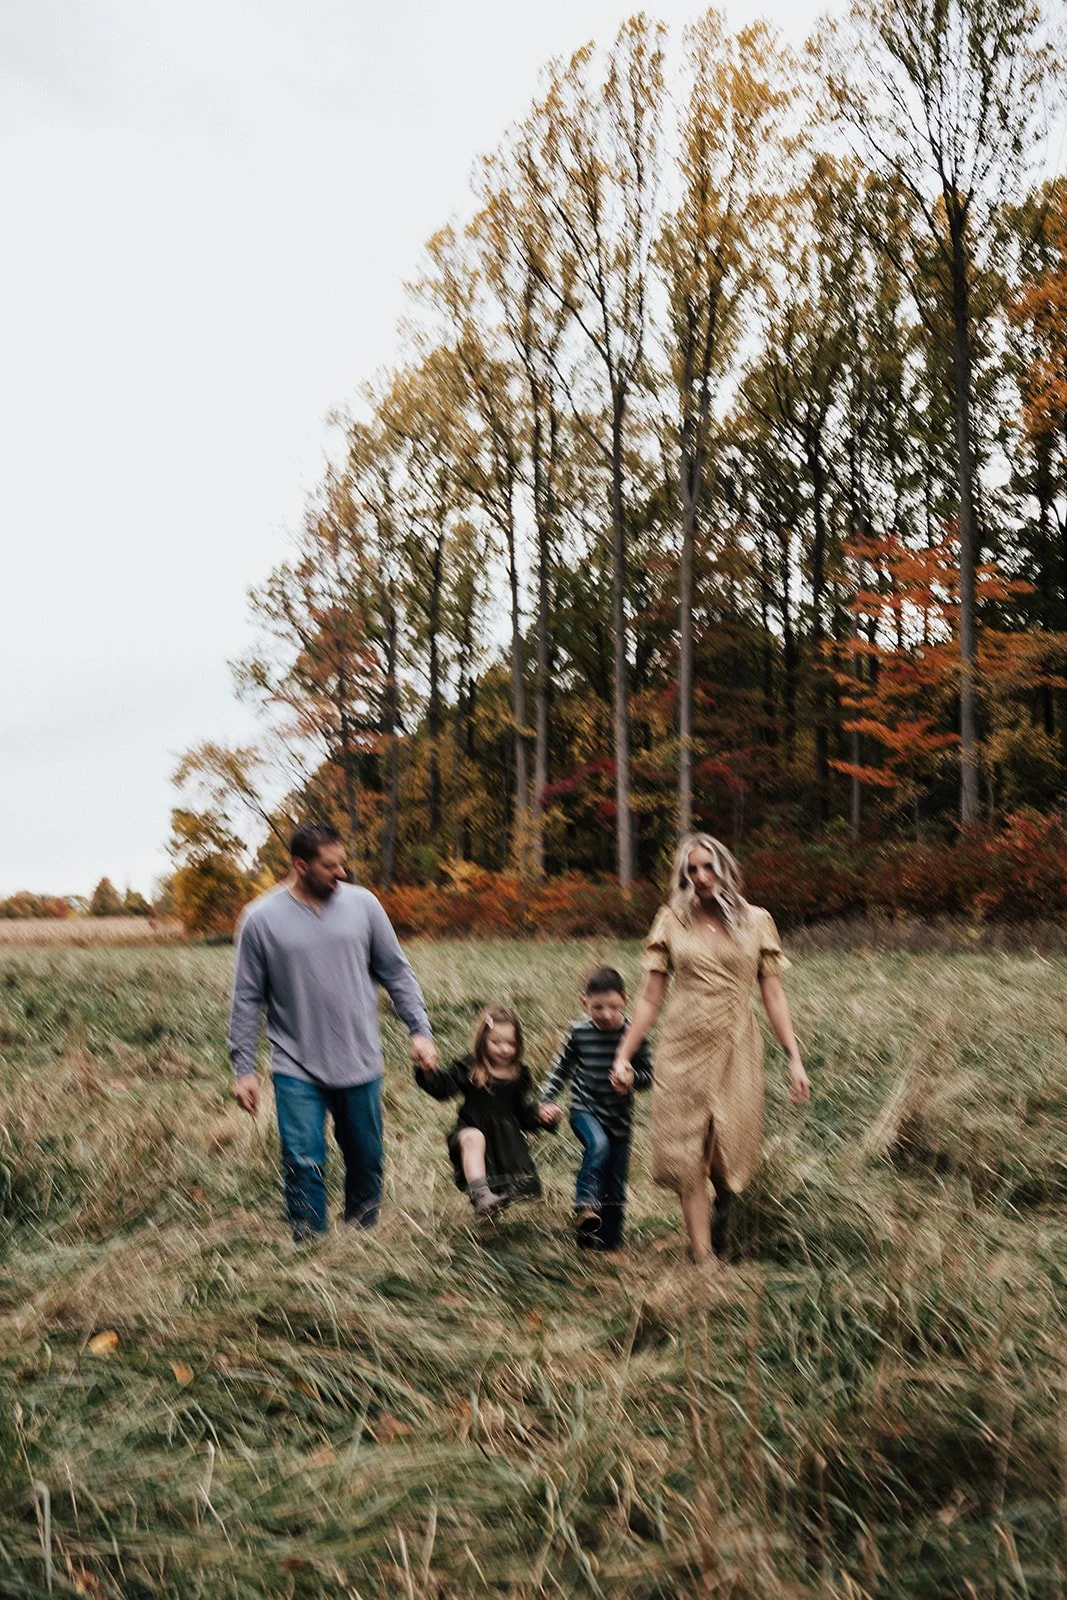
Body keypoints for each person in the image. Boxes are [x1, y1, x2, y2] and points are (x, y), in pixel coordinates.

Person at [228, 821, 438, 1239]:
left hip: (360, 1061)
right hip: (296, 1066)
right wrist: (243, 1068)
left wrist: (419, 1029)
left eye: (342, 863)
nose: (341, 873)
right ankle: (312, 1251)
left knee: (366, 1158)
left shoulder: (364, 906)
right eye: (330, 866)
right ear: (300, 865)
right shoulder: (260, 920)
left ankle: (359, 1242)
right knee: (302, 1161)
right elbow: (246, 998)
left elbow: (396, 972)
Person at [614, 832, 810, 1267]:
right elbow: (649, 998)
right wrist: (624, 1054)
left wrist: (793, 1055)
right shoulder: (672, 920)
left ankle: (726, 1205)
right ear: (683, 876)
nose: (701, 878)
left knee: (729, 1149)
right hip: (682, 1046)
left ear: (725, 868)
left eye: (708, 867)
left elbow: (773, 996)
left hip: (738, 1042)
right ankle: (702, 1258)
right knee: (689, 1152)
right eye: (692, 870)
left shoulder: (756, 921)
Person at [538, 965, 653, 1253]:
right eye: (597, 1007)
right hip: (584, 1109)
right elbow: (560, 1068)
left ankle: (606, 1242)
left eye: (612, 1007)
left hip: (620, 1119)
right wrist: (548, 1098)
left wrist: (631, 1080)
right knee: (597, 1147)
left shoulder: (634, 1035)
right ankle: (586, 1205)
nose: (605, 1014)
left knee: (615, 1182)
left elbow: (649, 1076)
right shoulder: (579, 1032)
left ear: (624, 1001)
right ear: (584, 1003)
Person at [414, 1005, 546, 1216]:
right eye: (497, 1042)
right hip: (472, 1132)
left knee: (509, 1194)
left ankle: (493, 1219)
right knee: (474, 1138)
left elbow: (522, 1115)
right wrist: (429, 1072)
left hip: (505, 1144)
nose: (505, 1049)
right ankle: (481, 1195)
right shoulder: (471, 1066)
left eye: (511, 1043)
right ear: (483, 1040)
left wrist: (540, 1115)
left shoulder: (519, 1075)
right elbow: (444, 1088)